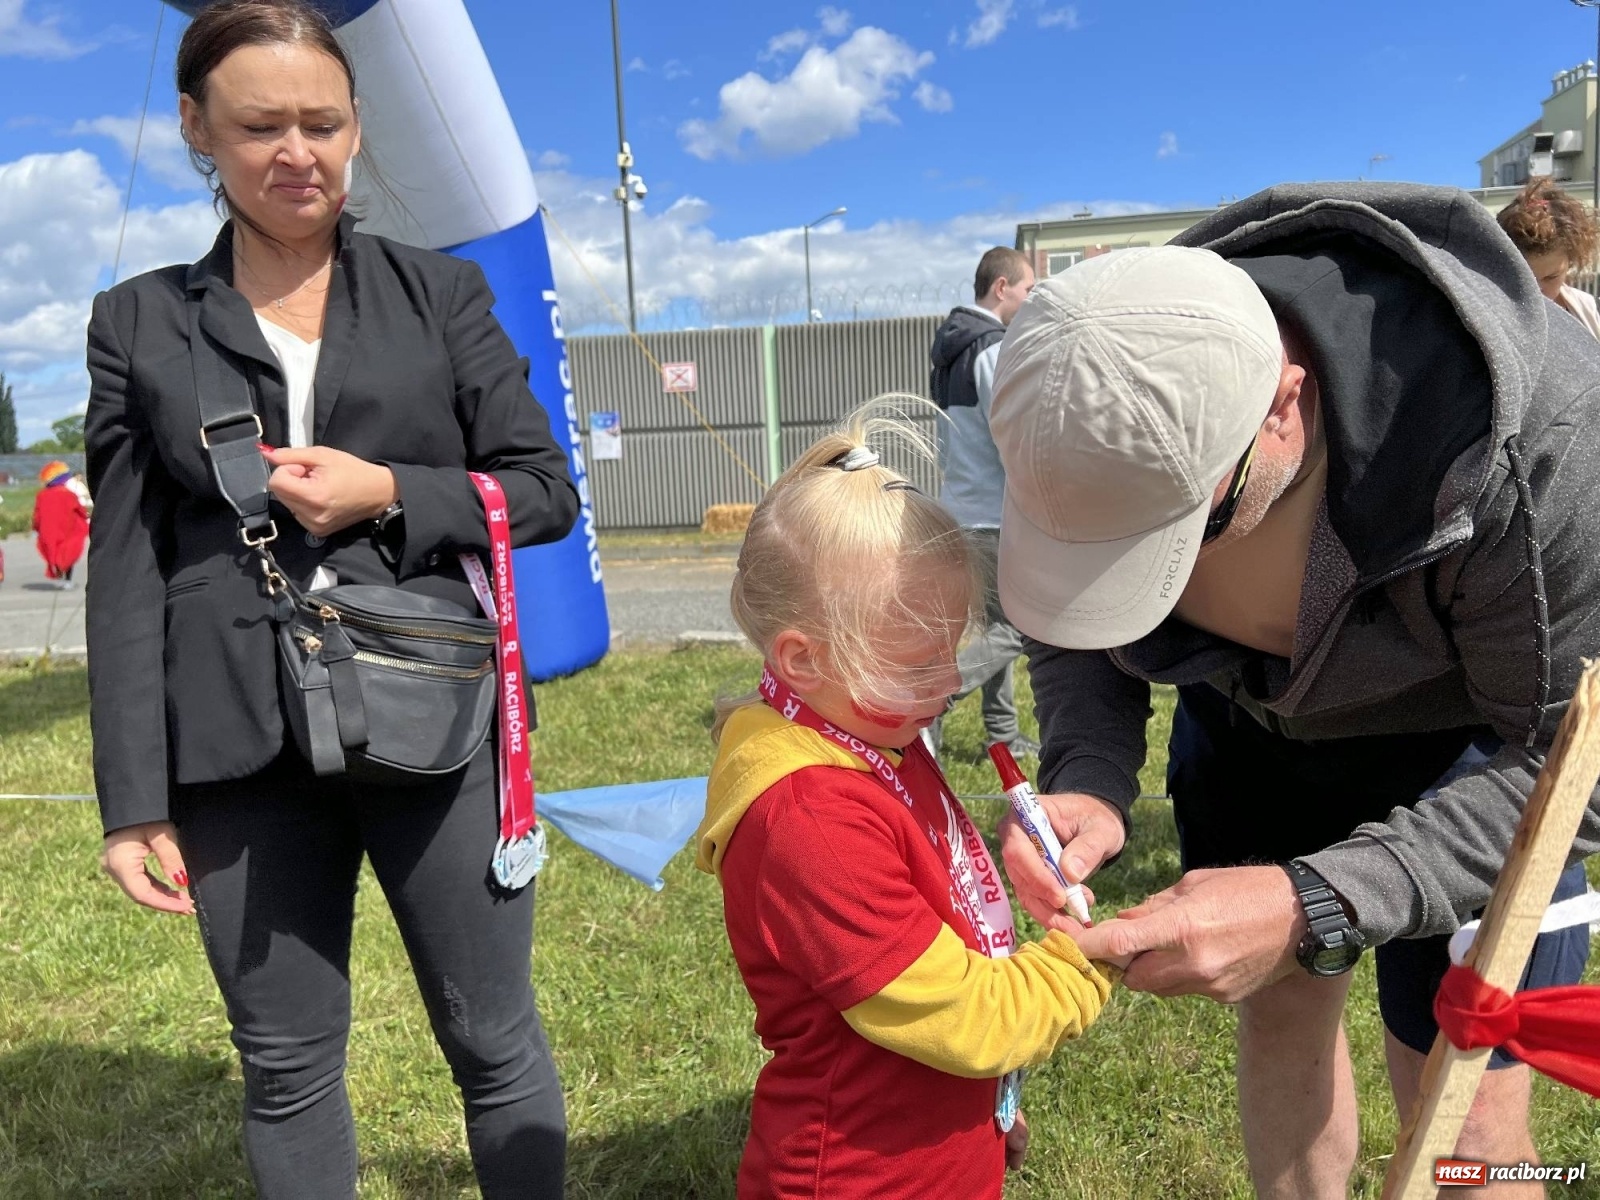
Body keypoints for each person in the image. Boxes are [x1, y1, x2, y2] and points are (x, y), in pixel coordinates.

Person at [989, 185, 1600, 1200]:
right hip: (1247, 737)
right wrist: (1090, 776)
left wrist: (1313, 902)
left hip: (1475, 758)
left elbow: (1565, 765)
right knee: (1277, 1018)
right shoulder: (1106, 371)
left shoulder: (1545, 448)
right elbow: (1073, 621)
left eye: (1176, 538)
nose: (1161, 580)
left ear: (1282, 401)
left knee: (1467, 1092)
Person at [84, 3, 577, 1196]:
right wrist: (131, 801)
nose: (294, 150)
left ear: (359, 132)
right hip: (234, 750)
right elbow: (127, 565)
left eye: (323, 122)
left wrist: (389, 490)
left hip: (432, 720)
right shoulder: (138, 321)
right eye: (259, 125)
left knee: (491, 1040)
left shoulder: (441, 295)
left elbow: (541, 488)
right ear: (199, 128)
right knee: (285, 1062)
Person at [695, 404, 1120, 1200]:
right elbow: (967, 1016)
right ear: (803, 658)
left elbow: (931, 926)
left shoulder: (867, 735)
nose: (951, 683)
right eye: (919, 665)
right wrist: (1089, 960)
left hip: (927, 1149)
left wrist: (983, 1106)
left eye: (952, 652)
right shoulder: (808, 818)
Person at [926, 246, 1037, 760]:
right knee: (1017, 629)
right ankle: (932, 702)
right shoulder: (991, 347)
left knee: (995, 628)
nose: (1029, 299)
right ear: (1001, 287)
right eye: (1028, 290)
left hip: (960, 509)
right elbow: (1011, 432)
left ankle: (1003, 736)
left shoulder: (951, 347)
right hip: (992, 515)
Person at [1497, 177, 1600, 339]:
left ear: (1570, 262)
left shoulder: (1586, 307)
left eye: (1552, 277)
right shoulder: (1492, 317)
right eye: (1526, 277)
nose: (1538, 290)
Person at [31, 460, 89, 588]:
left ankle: (61, 579)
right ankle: (67, 580)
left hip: (49, 532)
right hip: (68, 531)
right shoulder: (69, 495)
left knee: (55, 554)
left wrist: (36, 528)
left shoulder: (41, 496)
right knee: (67, 555)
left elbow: (37, 516)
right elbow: (81, 511)